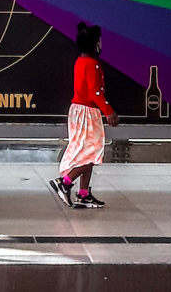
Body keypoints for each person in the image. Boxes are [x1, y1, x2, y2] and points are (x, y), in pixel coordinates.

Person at [50, 22, 119, 209]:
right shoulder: (93, 65)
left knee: (86, 152)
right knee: (91, 153)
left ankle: (84, 193)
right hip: (88, 113)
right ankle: (65, 182)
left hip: (77, 111)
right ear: (95, 44)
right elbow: (95, 92)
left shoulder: (80, 62)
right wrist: (108, 111)